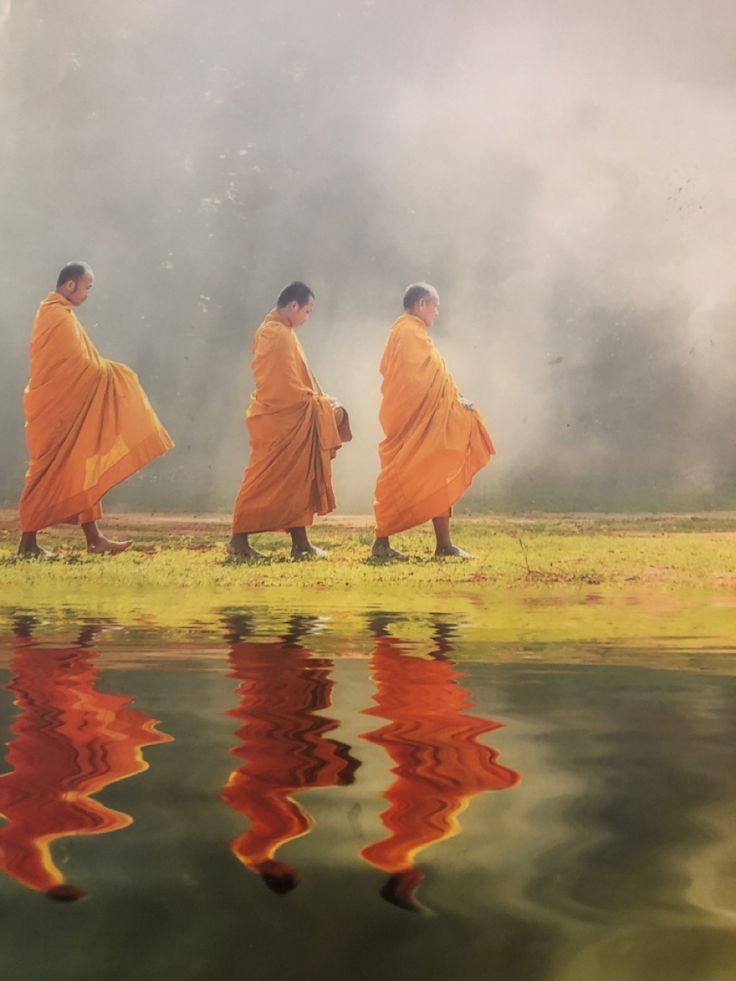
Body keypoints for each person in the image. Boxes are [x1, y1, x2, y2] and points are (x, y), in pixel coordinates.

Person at [17, 262, 173, 557]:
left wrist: (106, 370)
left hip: (67, 405)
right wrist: (108, 373)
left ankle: (95, 540)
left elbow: (78, 361)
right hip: (56, 407)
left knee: (80, 464)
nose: (88, 294)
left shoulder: (62, 313)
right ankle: (27, 543)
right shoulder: (54, 315)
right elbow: (71, 366)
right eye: (86, 287)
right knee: (44, 471)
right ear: (70, 285)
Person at [228, 281, 351, 559]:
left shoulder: (282, 331)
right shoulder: (276, 334)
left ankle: (301, 543)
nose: (308, 317)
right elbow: (282, 386)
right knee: (262, 479)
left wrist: (317, 401)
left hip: (290, 417)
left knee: (299, 479)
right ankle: (238, 540)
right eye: (307, 311)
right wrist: (317, 404)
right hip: (281, 418)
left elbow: (295, 379)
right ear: (293, 305)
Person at [372, 283, 494, 559]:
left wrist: (452, 399)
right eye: (434, 305)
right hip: (417, 420)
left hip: (426, 418)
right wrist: (449, 402)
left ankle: (443, 544)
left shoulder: (408, 332)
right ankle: (382, 543)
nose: (437, 312)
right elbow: (414, 382)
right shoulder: (408, 333)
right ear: (421, 304)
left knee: (438, 472)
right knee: (402, 475)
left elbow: (434, 377)